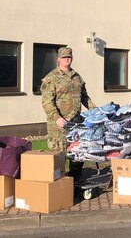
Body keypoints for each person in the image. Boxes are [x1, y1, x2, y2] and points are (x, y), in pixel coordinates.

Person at [41, 46, 97, 182]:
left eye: (69, 57)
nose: (67, 60)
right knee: (59, 155)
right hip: (59, 125)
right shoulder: (51, 78)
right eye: (64, 57)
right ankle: (58, 185)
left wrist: (96, 111)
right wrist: (57, 117)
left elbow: (84, 97)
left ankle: (75, 181)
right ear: (59, 59)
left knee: (77, 153)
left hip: (76, 123)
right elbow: (47, 102)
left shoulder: (76, 77)